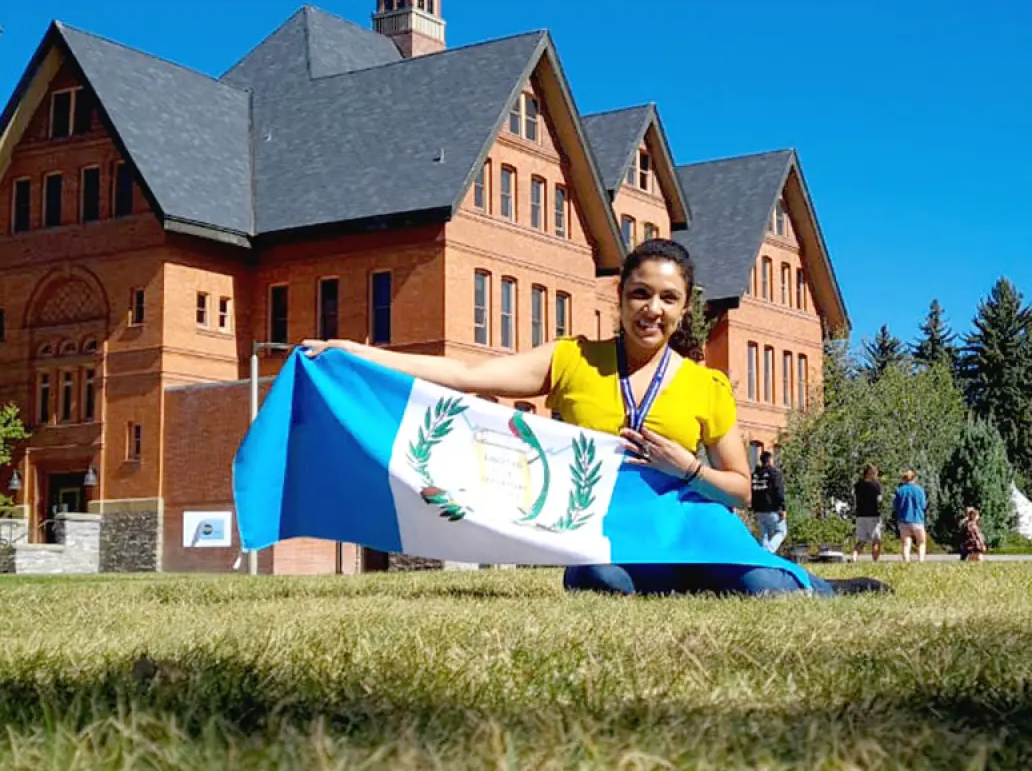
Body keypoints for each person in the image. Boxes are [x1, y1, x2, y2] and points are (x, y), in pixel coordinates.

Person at [301, 239, 887, 597]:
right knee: (601, 585)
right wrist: (358, 352)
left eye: (666, 298)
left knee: (766, 593)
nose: (651, 309)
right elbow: (465, 375)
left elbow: (740, 491)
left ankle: (816, 585)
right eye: (639, 293)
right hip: (606, 534)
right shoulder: (570, 359)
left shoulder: (705, 384)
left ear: (684, 308)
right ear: (620, 297)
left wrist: (686, 467)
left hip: (690, 525)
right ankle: (686, 581)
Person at [750, 452, 787, 553]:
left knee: (764, 535)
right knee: (781, 532)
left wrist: (753, 507)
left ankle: (763, 555)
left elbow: (751, 491)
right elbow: (779, 490)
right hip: (772, 509)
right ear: (770, 460)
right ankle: (768, 552)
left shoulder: (755, 475)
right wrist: (782, 508)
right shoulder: (774, 473)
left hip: (758, 510)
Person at [892, 469, 927, 563]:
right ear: (914, 478)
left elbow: (895, 506)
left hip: (903, 520)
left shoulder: (900, 490)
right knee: (921, 542)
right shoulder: (919, 490)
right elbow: (923, 505)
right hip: (917, 519)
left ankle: (906, 561)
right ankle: (921, 560)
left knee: (906, 543)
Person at [851, 464, 884, 562]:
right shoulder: (876, 485)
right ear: (873, 473)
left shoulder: (858, 484)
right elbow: (879, 499)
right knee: (876, 540)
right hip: (873, 515)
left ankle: (854, 557)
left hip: (860, 515)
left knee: (861, 539)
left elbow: (854, 497)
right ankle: (875, 560)